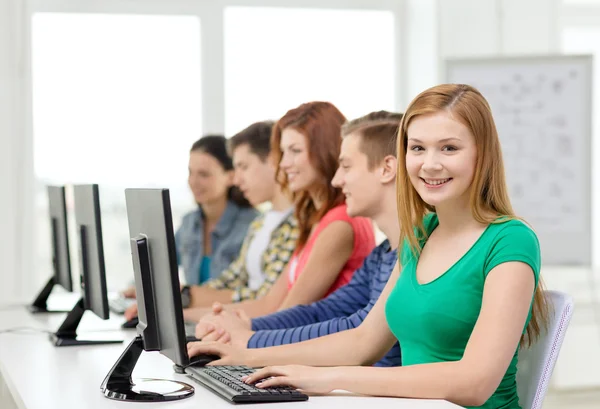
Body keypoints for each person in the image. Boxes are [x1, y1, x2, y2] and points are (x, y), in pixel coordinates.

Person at [188, 84, 550, 409]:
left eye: (449, 148)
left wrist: (331, 379)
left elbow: (474, 384)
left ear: (482, 154)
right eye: (418, 148)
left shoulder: (511, 241)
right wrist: (248, 355)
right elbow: (362, 342)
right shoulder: (421, 234)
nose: (430, 164)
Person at [194, 112, 403, 369]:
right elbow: (322, 311)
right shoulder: (382, 254)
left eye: (346, 166)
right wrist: (246, 328)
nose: (338, 180)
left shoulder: (349, 228)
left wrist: (249, 341)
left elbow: (356, 331)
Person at [184, 101, 375, 322]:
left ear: (324, 150)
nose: (283, 164)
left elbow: (286, 316)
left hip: (316, 351)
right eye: (283, 152)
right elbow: (270, 305)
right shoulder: (315, 220)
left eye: (295, 151)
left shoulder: (339, 223)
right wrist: (183, 317)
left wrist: (229, 332)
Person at [124, 122, 298, 320]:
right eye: (191, 172)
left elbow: (264, 299)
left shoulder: (284, 225)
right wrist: (175, 299)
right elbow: (229, 281)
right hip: (226, 322)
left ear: (273, 161)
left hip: (247, 329)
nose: (238, 180)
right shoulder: (260, 224)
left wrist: (184, 305)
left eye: (243, 167)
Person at [122, 135, 258, 299]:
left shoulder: (253, 225)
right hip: (192, 316)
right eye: (190, 172)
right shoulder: (189, 223)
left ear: (230, 177)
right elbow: (158, 268)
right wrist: (134, 289)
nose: (193, 182)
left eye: (204, 174)